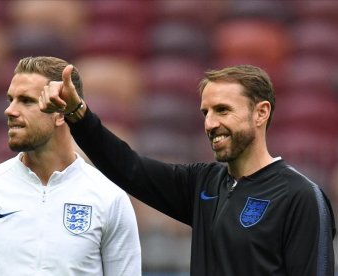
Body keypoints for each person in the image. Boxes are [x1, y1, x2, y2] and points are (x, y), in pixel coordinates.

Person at [39, 64, 336, 276]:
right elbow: (127, 167)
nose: (210, 124)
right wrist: (78, 115)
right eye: (205, 113)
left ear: (261, 113)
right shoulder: (203, 184)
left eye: (223, 110)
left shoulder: (301, 196)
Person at [0, 56, 142, 276]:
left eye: (26, 101)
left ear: (60, 113)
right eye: (11, 100)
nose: (10, 110)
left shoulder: (109, 198)